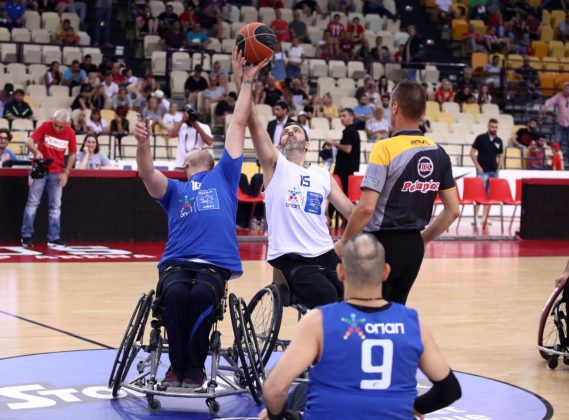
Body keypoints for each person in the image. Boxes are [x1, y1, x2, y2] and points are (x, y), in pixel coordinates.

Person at [132, 48, 267, 389]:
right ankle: (179, 367)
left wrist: (246, 81)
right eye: (197, 149)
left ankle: (193, 368)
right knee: (177, 297)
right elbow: (147, 173)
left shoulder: (225, 174)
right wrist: (143, 144)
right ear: (186, 163)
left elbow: (238, 122)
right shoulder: (175, 189)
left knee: (202, 297)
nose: (204, 147)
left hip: (213, 267)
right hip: (176, 263)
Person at [260, 234, 462, 420]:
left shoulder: (318, 321)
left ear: (340, 272)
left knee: (299, 394)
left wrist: (279, 416)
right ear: (385, 272)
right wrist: (415, 407)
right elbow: (450, 390)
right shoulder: (413, 323)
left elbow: (274, 388)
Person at [237, 55, 354, 309]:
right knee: (327, 298)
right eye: (286, 131)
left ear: (307, 144)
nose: (290, 132)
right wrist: (244, 81)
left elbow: (352, 212)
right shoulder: (275, 165)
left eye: (296, 130)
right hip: (291, 257)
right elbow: (253, 122)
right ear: (279, 144)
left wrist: (344, 242)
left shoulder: (323, 175)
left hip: (325, 252)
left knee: (352, 297)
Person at [335, 81, 459, 305]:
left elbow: (366, 208)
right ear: (423, 112)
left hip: (382, 245)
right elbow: (453, 211)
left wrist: (345, 241)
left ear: (394, 107)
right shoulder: (440, 153)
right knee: (395, 313)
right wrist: (423, 239)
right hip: (413, 247)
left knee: (367, 309)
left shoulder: (385, 148)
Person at [21, 109, 77, 248]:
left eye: (60, 126)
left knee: (55, 206)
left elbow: (72, 154)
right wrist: (36, 151)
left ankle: (54, 238)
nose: (57, 128)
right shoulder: (46, 126)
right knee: (33, 203)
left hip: (57, 172)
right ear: (52, 120)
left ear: (67, 124)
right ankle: (26, 236)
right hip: (40, 169)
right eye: (55, 124)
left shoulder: (70, 132)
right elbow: (28, 142)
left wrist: (66, 173)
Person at [469, 118, 504, 228]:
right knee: (479, 195)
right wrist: (478, 166)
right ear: (488, 127)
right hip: (482, 171)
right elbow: (472, 153)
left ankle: (484, 218)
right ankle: (475, 218)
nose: (494, 129)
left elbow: (501, 154)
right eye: (492, 127)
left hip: (494, 172)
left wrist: (499, 166)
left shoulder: (499, 140)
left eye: (496, 127)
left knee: (490, 196)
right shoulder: (481, 138)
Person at [326, 108, 360, 194]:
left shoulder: (351, 131)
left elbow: (348, 149)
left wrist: (333, 143)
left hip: (344, 169)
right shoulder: (350, 131)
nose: (341, 118)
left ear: (351, 117)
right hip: (345, 168)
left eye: (344, 116)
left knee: (340, 193)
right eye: (340, 116)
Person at [171, 105, 213, 169]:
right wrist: (182, 120)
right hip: (180, 164)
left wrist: (197, 127)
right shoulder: (181, 126)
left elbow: (209, 142)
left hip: (198, 165)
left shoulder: (204, 127)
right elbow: (171, 135)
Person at [543, 82, 569, 168]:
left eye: (567, 88)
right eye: (565, 88)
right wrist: (546, 106)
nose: (565, 90)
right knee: (557, 142)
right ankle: (557, 161)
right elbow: (550, 101)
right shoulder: (559, 96)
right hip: (560, 124)